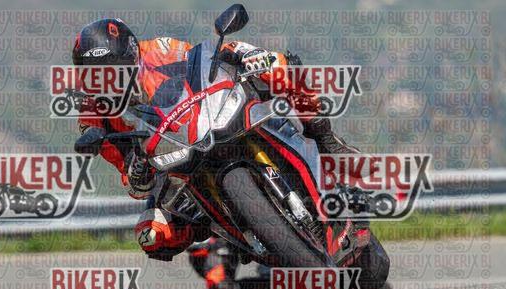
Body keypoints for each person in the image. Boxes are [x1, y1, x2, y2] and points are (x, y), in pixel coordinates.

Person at [72, 18, 359, 261]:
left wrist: (243, 58)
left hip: (205, 123)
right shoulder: (93, 114)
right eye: (97, 74)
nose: (109, 79)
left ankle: (324, 136)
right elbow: (130, 180)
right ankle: (223, 232)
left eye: (114, 68)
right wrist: (135, 171)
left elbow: (203, 64)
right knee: (152, 236)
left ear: (132, 53)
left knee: (278, 64)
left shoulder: (158, 50)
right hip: (168, 167)